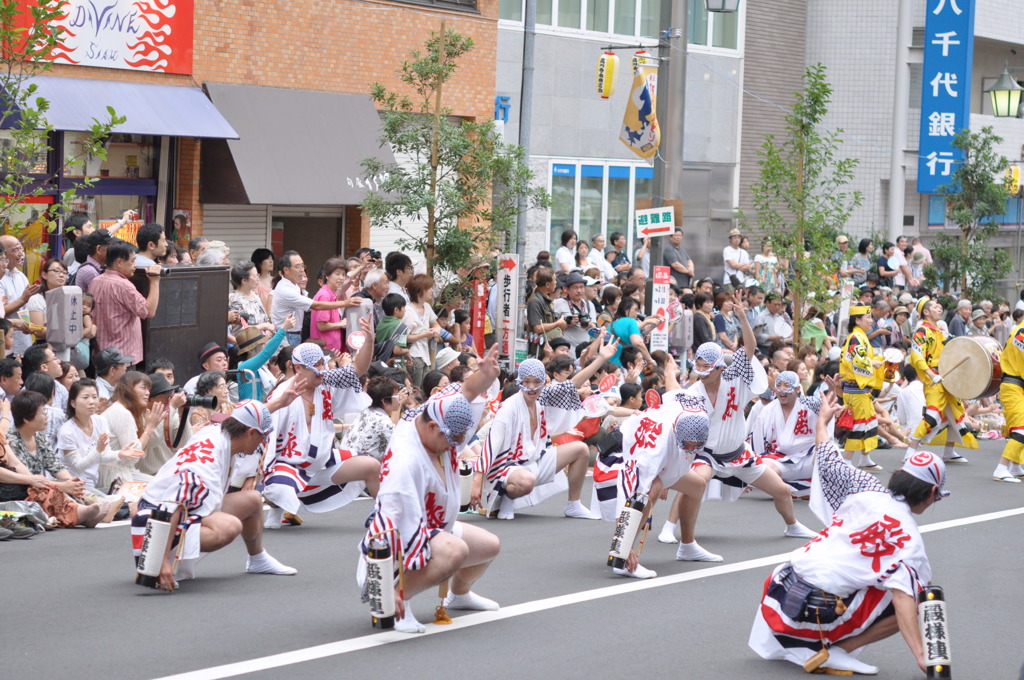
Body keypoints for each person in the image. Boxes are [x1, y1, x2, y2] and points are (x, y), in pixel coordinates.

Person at [750, 391, 942, 676]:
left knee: (888, 577)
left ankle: (808, 644)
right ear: (932, 492)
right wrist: (922, 656)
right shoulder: (909, 540)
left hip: (777, 589)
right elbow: (904, 601)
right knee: (915, 589)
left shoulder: (865, 486)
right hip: (811, 611)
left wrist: (822, 422)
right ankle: (839, 651)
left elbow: (827, 455)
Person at [359, 346, 502, 633]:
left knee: (489, 546)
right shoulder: (405, 460)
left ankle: (459, 595)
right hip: (395, 541)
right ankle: (398, 600)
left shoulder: (429, 415)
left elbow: (465, 394)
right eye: (453, 438)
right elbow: (391, 523)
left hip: (435, 526)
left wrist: (486, 375)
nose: (456, 445)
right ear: (435, 427)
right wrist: (385, 584)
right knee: (454, 550)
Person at [674, 292, 815, 562]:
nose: (702, 372)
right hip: (707, 455)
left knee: (783, 490)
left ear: (718, 367)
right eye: (699, 366)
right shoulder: (692, 392)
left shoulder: (735, 378)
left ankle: (793, 525)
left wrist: (742, 317)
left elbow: (748, 349)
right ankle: (685, 542)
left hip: (739, 452)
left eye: (707, 367)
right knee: (694, 485)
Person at [131, 399, 299, 591]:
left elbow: (247, 417)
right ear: (251, 433)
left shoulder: (219, 432)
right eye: (263, 437)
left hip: (174, 508)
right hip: (155, 525)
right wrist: (160, 561)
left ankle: (257, 559)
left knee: (252, 499)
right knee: (229, 526)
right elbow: (173, 502)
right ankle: (161, 565)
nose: (264, 442)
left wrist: (279, 402)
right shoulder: (207, 463)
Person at [472, 336, 617, 521]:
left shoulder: (542, 398)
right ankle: (506, 496)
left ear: (543, 381)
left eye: (536, 382)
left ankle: (573, 504)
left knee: (580, 449)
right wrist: (477, 480)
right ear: (520, 382)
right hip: (507, 468)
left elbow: (571, 384)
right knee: (526, 481)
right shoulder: (509, 407)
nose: (531, 387)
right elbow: (492, 444)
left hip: (535, 460)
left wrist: (601, 358)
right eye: (526, 382)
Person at [261, 318, 381, 528]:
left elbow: (356, 370)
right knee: (279, 490)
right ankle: (276, 507)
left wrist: (369, 341)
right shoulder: (282, 394)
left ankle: (384, 516)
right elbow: (264, 433)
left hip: (323, 461)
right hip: (290, 465)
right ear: (298, 368)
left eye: (322, 364)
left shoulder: (325, 381)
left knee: (371, 466)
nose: (322, 371)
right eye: (315, 367)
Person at [0, 392, 110, 527]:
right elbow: (28, 478)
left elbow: (54, 464)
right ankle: (82, 514)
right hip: (25, 488)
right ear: (27, 419)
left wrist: (70, 481)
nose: (47, 417)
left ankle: (90, 512)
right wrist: (62, 486)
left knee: (79, 488)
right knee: (52, 492)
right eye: (42, 413)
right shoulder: (12, 440)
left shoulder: (39, 436)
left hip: (40, 483)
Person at [905, 297, 977, 463]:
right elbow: (916, 356)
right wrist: (931, 375)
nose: (940, 309)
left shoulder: (939, 330)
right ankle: (910, 450)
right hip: (934, 379)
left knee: (956, 412)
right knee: (932, 415)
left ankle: (949, 450)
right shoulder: (922, 331)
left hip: (947, 377)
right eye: (936, 307)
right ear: (926, 312)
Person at [58, 378, 143, 498]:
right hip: (74, 485)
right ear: (73, 403)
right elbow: (78, 466)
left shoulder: (100, 421)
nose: (92, 401)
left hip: (93, 483)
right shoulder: (67, 431)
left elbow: (104, 455)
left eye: (94, 396)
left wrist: (119, 454)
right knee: (112, 504)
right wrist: (98, 449)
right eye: (85, 397)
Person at [751, 371, 823, 498]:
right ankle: (792, 489)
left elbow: (827, 417)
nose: (782, 390)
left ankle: (786, 489)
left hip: (808, 460)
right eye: (779, 386)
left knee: (827, 455)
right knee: (760, 468)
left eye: (786, 386)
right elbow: (757, 442)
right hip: (780, 461)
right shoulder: (768, 410)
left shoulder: (810, 405)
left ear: (797, 389)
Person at [90, 240, 162, 367]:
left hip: (101, 354)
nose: (135, 265)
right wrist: (155, 281)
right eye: (132, 260)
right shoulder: (123, 285)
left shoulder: (95, 281)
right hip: (122, 357)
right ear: (119, 262)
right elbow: (148, 311)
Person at [271, 251, 354, 346]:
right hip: (287, 335)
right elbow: (316, 305)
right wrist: (345, 303)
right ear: (286, 270)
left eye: (303, 266)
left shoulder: (294, 285)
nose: (302, 270)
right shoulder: (285, 289)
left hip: (293, 334)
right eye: (298, 266)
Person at [98, 371, 165, 490]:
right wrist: (150, 427)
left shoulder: (122, 410)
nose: (147, 393)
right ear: (129, 388)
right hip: (113, 476)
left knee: (161, 485)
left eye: (148, 389)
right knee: (159, 489)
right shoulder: (121, 412)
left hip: (121, 470)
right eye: (143, 388)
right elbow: (132, 454)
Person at [839, 304, 885, 469]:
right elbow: (855, 360)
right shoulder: (855, 337)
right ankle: (846, 460)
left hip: (860, 389)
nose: (871, 321)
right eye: (868, 318)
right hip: (855, 389)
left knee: (870, 422)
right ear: (857, 320)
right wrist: (873, 362)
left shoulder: (860, 336)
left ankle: (865, 458)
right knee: (858, 424)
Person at [992, 313, 1024, 482]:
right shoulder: (1021, 333)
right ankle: (1001, 468)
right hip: (1013, 386)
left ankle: (1016, 466)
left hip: (1017, 386)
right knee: (1021, 429)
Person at [138, 372, 190, 476]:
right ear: (150, 398)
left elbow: (184, 443)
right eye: (166, 394)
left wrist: (182, 413)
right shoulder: (139, 417)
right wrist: (171, 407)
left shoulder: (170, 413)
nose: (169, 397)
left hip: (169, 473)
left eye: (171, 393)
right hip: (147, 476)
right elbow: (153, 440)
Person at [340, 376, 404, 461]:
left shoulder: (366, 411)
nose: (400, 398)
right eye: (397, 395)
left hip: (345, 460)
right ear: (384, 401)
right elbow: (400, 447)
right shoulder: (383, 421)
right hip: (360, 467)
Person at [0, 235, 40, 357]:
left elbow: (25, 309)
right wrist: (23, 299)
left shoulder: (21, 276)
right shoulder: (1, 278)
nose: (20, 253)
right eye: (15, 250)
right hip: (5, 344)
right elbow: (2, 312)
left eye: (21, 249)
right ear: (3, 254)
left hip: (23, 341)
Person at [235, 318, 294, 401]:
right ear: (250, 350)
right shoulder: (245, 367)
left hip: (258, 410)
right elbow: (266, 352)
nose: (265, 345)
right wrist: (283, 329)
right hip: (248, 412)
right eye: (262, 344)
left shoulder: (259, 368)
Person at [404, 274, 441, 387]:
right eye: (429, 288)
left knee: (426, 387)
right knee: (416, 388)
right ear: (420, 290)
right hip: (413, 355)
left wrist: (436, 330)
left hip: (425, 355)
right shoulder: (408, 311)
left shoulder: (427, 306)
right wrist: (424, 334)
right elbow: (404, 337)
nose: (431, 291)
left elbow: (436, 323)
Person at [310, 257, 353, 352]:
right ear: (327, 276)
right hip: (325, 350)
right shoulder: (325, 295)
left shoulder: (332, 293)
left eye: (343, 274)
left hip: (331, 349)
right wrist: (341, 324)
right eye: (337, 274)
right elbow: (322, 326)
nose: (341, 278)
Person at [25, 258, 67, 346]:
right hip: (45, 346)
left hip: (68, 345)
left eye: (64, 272)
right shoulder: (37, 299)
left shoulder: (68, 297)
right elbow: (38, 331)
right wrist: (66, 333)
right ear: (44, 274)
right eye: (56, 271)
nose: (61, 275)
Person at [228, 261, 275, 337]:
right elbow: (240, 331)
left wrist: (267, 331)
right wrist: (264, 326)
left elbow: (265, 319)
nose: (258, 278)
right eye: (255, 276)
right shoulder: (235, 299)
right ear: (244, 280)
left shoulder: (255, 295)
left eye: (258, 275)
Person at [609, 296, 658, 367]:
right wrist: (650, 359)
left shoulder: (611, 325)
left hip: (611, 366)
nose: (637, 313)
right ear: (626, 309)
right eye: (635, 310)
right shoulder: (631, 322)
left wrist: (652, 325)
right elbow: (638, 342)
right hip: (627, 367)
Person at [250, 247, 276, 315]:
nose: (271, 261)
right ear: (259, 262)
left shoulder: (276, 280)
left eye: (272, 259)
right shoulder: (255, 283)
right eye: (267, 259)